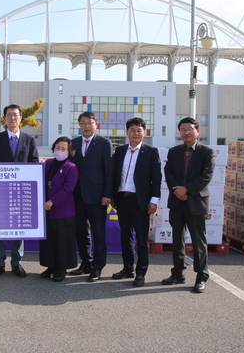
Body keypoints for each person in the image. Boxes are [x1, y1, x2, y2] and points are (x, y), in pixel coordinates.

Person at [162, 117, 215, 293]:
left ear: (197, 131)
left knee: (198, 241)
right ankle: (178, 273)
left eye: (190, 129)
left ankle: (201, 276)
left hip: (196, 202)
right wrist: (178, 190)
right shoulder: (174, 152)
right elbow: (168, 173)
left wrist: (186, 190)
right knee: (177, 239)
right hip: (177, 201)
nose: (186, 132)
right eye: (183, 129)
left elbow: (206, 176)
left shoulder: (206, 152)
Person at [0, 104, 39, 278]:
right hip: (0, 192)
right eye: (8, 115)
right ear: (4, 118)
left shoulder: (29, 140)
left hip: (20, 191)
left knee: (19, 228)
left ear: (21, 118)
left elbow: (34, 163)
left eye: (15, 115)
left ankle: (17, 263)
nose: (12, 118)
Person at [111, 117, 161, 287]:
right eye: (132, 130)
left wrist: (154, 201)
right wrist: (112, 196)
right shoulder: (119, 151)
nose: (136, 133)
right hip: (122, 200)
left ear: (144, 133)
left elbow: (157, 179)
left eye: (139, 130)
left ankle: (141, 273)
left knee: (141, 239)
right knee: (125, 237)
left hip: (141, 202)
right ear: (127, 132)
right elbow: (114, 176)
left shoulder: (151, 152)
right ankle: (127, 268)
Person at [69, 111, 113, 282]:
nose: (86, 126)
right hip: (77, 195)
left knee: (98, 232)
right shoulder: (74, 142)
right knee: (81, 232)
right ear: (79, 125)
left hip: (97, 196)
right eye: (83, 123)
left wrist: (107, 194)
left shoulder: (104, 143)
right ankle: (85, 262)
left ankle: (98, 267)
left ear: (97, 124)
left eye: (89, 123)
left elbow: (109, 171)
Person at [39, 137, 79, 282]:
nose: (60, 151)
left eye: (63, 149)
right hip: (46, 210)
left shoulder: (71, 167)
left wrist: (52, 201)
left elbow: (67, 189)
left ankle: (61, 269)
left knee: (62, 240)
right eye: (57, 148)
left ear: (69, 151)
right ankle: (50, 266)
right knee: (48, 240)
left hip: (62, 210)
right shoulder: (47, 163)